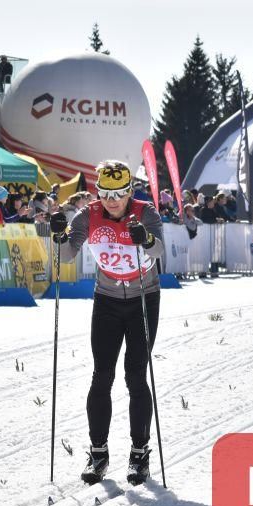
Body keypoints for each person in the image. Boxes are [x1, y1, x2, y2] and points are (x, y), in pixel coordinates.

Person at [51, 159, 164, 486]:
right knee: (102, 375)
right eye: (105, 193)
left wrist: (145, 238)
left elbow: (158, 251)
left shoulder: (145, 212)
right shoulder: (88, 215)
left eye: (118, 194)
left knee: (135, 375)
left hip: (143, 297)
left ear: (129, 191)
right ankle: (98, 453)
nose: (112, 201)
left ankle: (139, 454)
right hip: (107, 299)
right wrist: (58, 234)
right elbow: (67, 254)